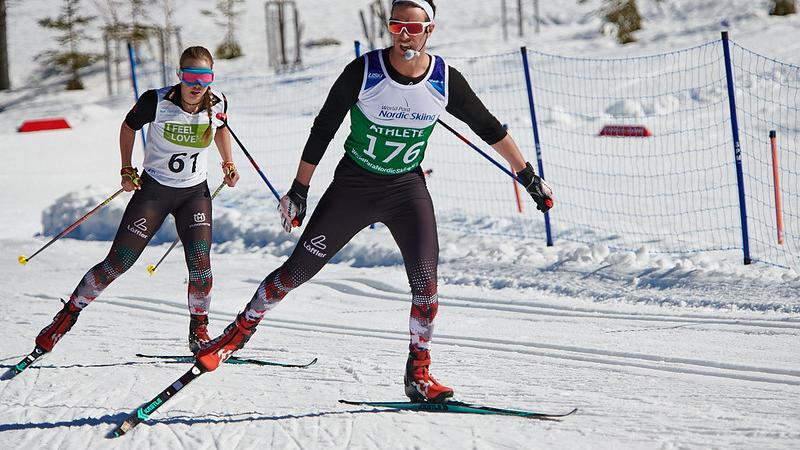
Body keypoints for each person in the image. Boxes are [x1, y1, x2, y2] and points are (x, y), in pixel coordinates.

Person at [197, 0, 553, 402]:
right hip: (354, 187)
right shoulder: (364, 72)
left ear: (429, 31)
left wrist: (528, 177)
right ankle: (237, 333)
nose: (404, 34)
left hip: (406, 190)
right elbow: (323, 128)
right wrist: (299, 189)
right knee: (295, 272)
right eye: (396, 25)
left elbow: (489, 127)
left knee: (426, 287)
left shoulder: (444, 79)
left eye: (413, 28)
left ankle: (418, 373)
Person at [32, 46, 239, 357]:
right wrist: (126, 168)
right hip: (154, 192)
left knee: (201, 267)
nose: (198, 84)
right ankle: (66, 317)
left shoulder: (218, 102)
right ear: (180, 76)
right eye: (191, 76)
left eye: (205, 77)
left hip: (194, 194)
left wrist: (228, 163)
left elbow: (221, 129)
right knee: (118, 263)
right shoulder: (156, 101)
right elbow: (129, 127)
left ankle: (199, 330)